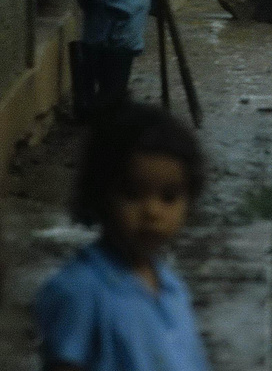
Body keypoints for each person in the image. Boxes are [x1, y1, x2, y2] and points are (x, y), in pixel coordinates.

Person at [33, 102, 211, 371]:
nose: (152, 211)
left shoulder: (171, 288)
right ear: (99, 193)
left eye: (169, 197)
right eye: (132, 193)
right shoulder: (80, 292)